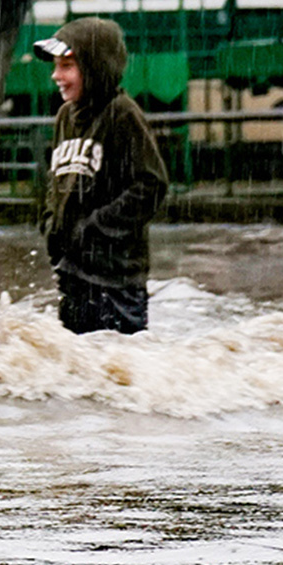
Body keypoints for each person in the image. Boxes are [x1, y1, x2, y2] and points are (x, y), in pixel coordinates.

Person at [33, 17, 168, 334]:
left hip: (116, 281)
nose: (57, 76)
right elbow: (58, 181)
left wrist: (95, 229)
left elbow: (151, 184)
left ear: (95, 66)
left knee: (115, 370)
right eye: (56, 66)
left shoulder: (122, 113)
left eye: (67, 66)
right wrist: (51, 224)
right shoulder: (65, 116)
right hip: (73, 276)